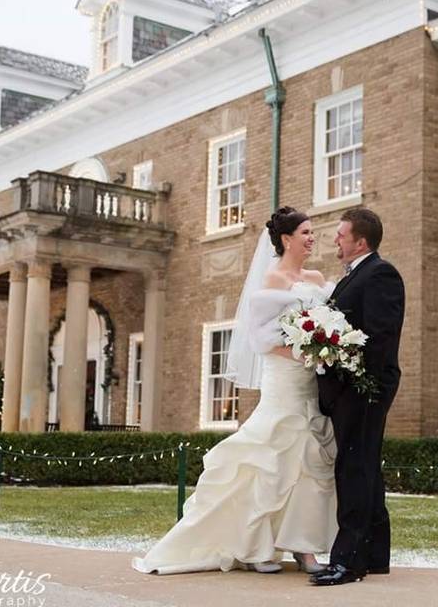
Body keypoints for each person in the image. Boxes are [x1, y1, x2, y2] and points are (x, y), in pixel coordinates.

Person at [131, 207, 337, 575]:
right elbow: (261, 340)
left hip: (309, 385)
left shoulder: (317, 278)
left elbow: (327, 323)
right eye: (305, 232)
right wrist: (304, 352)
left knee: (308, 462)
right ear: (286, 239)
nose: (312, 238)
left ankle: (304, 549)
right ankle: (255, 547)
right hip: (283, 382)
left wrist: (325, 347)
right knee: (269, 462)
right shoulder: (272, 281)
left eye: (312, 232)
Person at [310, 208, 405, 587]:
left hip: (364, 390)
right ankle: (375, 556)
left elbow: (380, 337)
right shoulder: (353, 277)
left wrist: (355, 383)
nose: (336, 239)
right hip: (350, 389)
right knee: (364, 470)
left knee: (354, 471)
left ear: (360, 241)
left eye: (341, 234)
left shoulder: (380, 274)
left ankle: (348, 563)